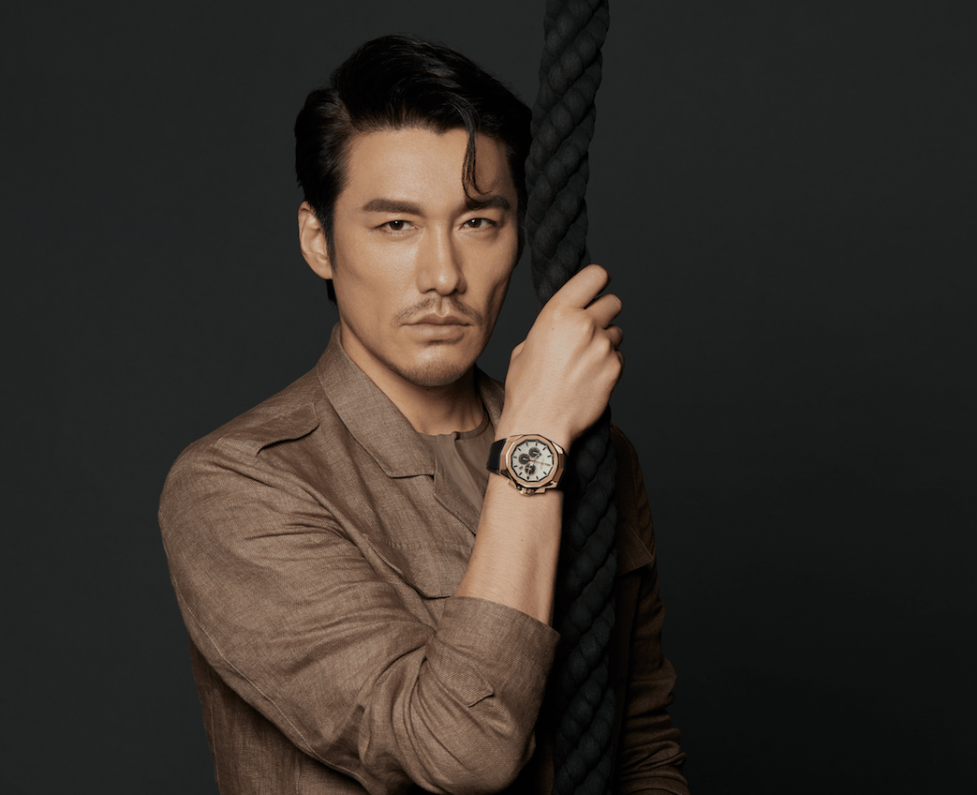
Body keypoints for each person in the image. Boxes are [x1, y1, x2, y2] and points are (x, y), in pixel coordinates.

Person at [159, 34, 688, 795]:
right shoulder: (236, 486)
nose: (444, 276)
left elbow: (641, 751)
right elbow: (458, 750)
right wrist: (534, 439)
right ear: (318, 239)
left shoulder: (601, 453)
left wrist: (545, 429)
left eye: (478, 222)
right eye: (396, 226)